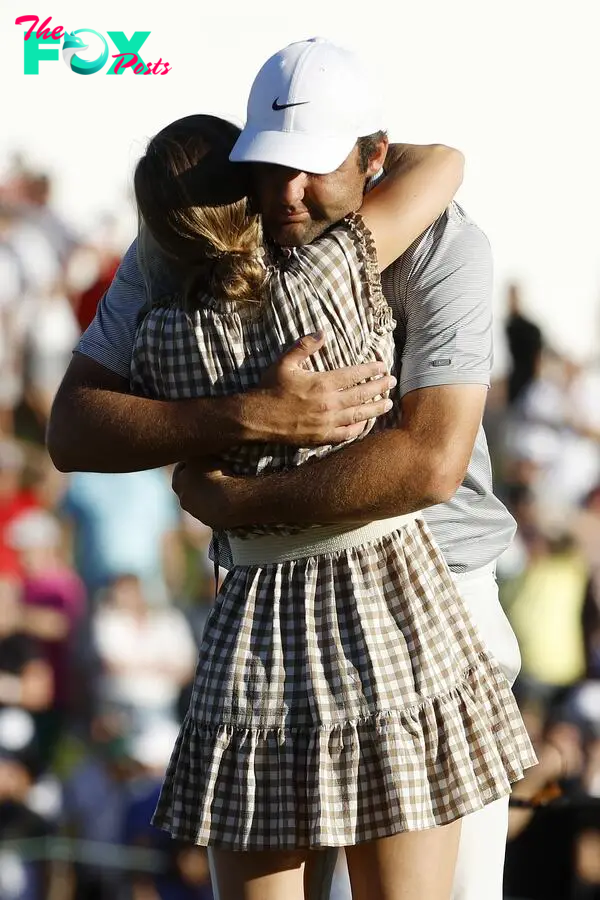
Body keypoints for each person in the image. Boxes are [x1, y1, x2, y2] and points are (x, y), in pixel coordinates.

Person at [46, 36, 528, 900]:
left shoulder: (434, 244)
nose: (288, 192)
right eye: (269, 167)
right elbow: (74, 428)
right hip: (301, 611)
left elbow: (427, 466)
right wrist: (248, 413)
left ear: (372, 157)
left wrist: (235, 496)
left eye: (312, 167)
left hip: (430, 588)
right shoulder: (253, 257)